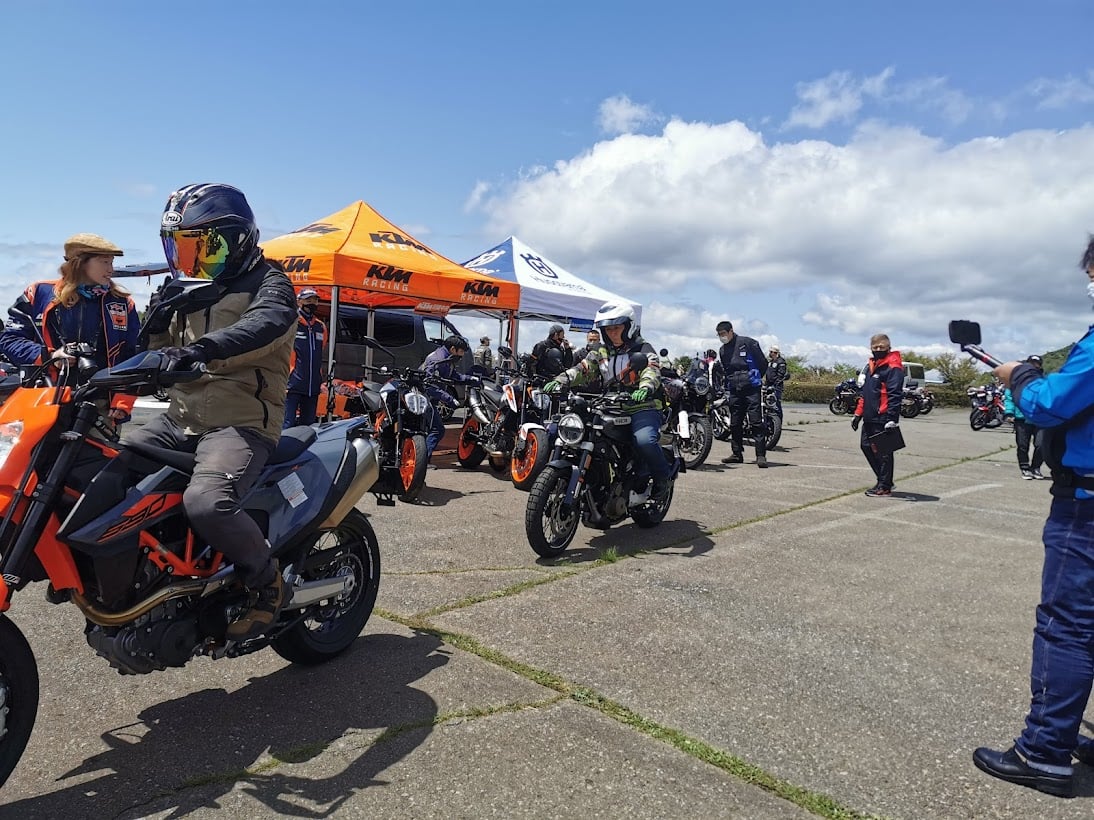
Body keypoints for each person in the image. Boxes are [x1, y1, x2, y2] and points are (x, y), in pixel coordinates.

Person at [126, 183, 297, 643]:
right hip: (180, 418)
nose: (190, 259)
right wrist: (155, 328)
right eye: (181, 247)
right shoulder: (191, 288)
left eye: (200, 246)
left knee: (207, 502)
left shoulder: (272, 285)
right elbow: (156, 353)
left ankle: (265, 583)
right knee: (112, 455)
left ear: (234, 237)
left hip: (240, 422)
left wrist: (200, 350)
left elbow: (262, 328)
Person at [971, 239, 1094, 798]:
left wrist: (1020, 376)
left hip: (1086, 506)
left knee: (1066, 626)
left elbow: (1048, 404)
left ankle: (1044, 752)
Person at [0, 232, 140, 427]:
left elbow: (133, 356)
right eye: (104, 262)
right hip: (44, 399)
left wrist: (124, 401)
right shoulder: (39, 293)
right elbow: (9, 340)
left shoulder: (123, 303)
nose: (111, 269)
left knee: (98, 458)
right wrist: (52, 357)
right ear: (80, 263)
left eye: (111, 262)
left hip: (99, 406)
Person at [542, 303, 672, 501]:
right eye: (608, 329)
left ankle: (663, 479)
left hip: (642, 406)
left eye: (616, 328)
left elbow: (651, 369)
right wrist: (560, 380)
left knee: (644, 440)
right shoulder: (601, 351)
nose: (612, 333)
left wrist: (645, 388)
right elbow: (583, 368)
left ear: (629, 327)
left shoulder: (642, 348)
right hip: (610, 404)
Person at [850, 334, 903, 496]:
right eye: (875, 347)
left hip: (883, 416)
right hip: (870, 416)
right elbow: (866, 393)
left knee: (884, 452)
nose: (878, 350)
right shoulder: (872, 366)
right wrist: (858, 414)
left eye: (881, 347)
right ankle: (884, 480)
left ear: (888, 347)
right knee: (866, 446)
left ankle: (884, 486)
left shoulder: (893, 367)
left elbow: (895, 394)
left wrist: (892, 419)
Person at [715, 320, 769, 468]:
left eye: (724, 334)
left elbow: (763, 363)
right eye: (719, 335)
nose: (722, 337)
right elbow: (726, 369)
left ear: (731, 331)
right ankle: (737, 453)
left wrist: (756, 376)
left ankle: (760, 455)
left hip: (751, 388)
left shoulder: (748, 343)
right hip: (734, 389)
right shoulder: (723, 350)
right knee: (735, 423)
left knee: (756, 421)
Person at [419, 335, 474, 460]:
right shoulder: (437, 360)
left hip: (427, 398)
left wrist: (469, 379)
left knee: (427, 429)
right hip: (423, 398)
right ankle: (421, 463)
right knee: (437, 429)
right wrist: (450, 399)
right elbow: (429, 386)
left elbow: (453, 376)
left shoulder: (446, 358)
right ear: (453, 349)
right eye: (461, 352)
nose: (462, 355)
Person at [283, 288, 326, 428]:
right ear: (299, 301)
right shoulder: (290, 322)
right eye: (308, 300)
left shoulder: (320, 326)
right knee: (286, 424)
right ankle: (281, 450)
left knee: (308, 427)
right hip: (292, 384)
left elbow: (321, 349)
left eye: (315, 300)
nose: (312, 303)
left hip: (312, 385)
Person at [1002, 355, 1046, 480]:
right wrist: (1009, 413)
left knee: (1041, 444)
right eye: (1031, 363)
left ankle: (1036, 467)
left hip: (1039, 419)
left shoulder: (1044, 381)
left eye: (1036, 363)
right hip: (1021, 418)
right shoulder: (1016, 381)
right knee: (1022, 445)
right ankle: (1025, 468)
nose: (1034, 365)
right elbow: (1009, 398)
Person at [766, 345, 788, 418]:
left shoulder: (781, 361)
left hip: (776, 386)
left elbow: (781, 374)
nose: (771, 353)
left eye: (772, 352)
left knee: (776, 404)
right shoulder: (770, 361)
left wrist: (776, 384)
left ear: (776, 352)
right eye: (770, 351)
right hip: (768, 385)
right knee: (767, 403)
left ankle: (778, 423)